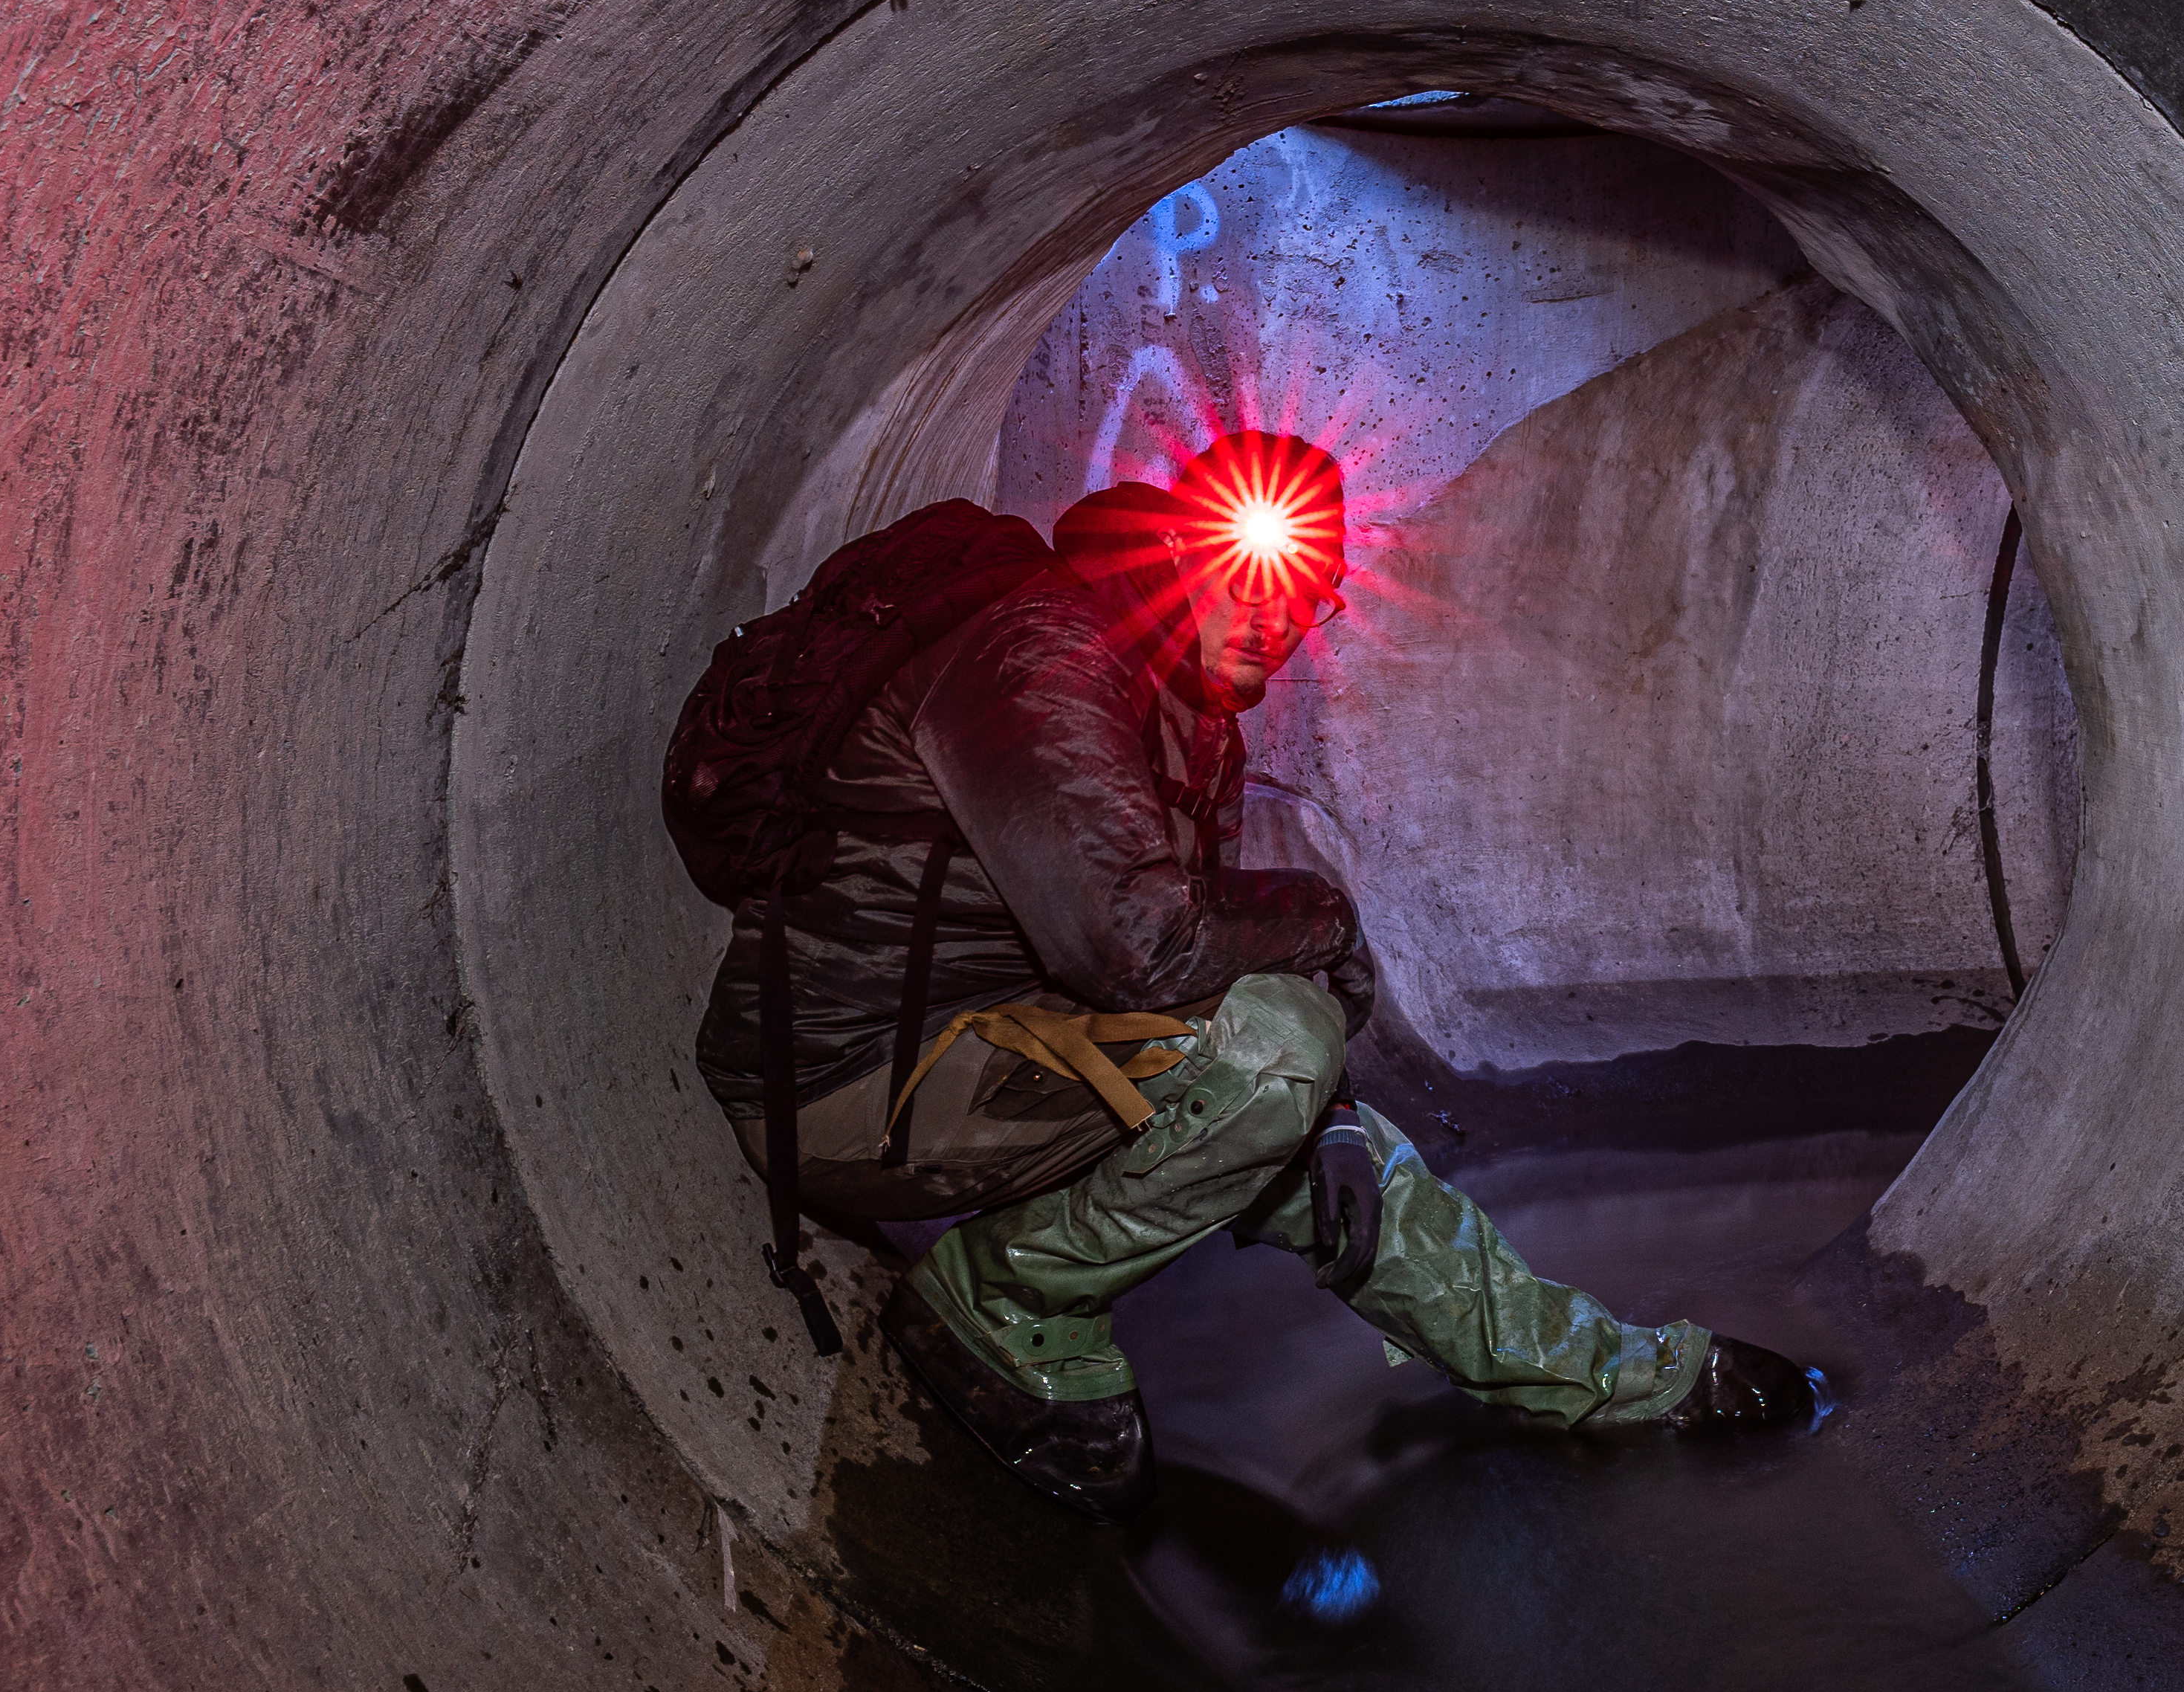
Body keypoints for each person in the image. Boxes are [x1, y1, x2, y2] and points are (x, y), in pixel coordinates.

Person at [687, 429, 1816, 1517]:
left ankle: (1614, 1377)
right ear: (1180, 550)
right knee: (1281, 1054)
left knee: (1334, 1141)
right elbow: (1145, 951)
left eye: (1312, 599)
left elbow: (1191, 968)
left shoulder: (1191, 721)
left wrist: (1324, 1118)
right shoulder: (1043, 658)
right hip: (848, 1085)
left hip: (1012, 1054)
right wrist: (1322, 924)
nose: (1284, 624)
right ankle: (1003, 1300)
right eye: (1260, 574)